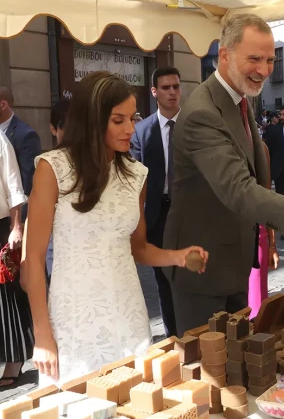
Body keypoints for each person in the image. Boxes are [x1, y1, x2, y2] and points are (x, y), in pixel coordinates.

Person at [22, 71, 208, 386]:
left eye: (132, 118)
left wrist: (177, 256)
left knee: (134, 397)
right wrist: (42, 334)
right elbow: (33, 260)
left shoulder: (136, 175)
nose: (131, 129)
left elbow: (137, 248)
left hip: (128, 311)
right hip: (74, 316)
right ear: (92, 120)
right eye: (117, 120)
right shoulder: (52, 169)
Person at [162, 13, 284, 336]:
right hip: (201, 271)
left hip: (233, 266)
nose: (264, 70)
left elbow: (258, 177)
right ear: (226, 55)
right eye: (255, 59)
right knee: (208, 375)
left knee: (238, 366)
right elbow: (240, 190)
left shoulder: (240, 100)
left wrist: (269, 238)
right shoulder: (203, 112)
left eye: (270, 60)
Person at [130, 66, 182, 338]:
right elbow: (135, 176)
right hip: (157, 212)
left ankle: (194, 331)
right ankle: (174, 335)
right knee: (163, 278)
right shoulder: (141, 131)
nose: (172, 92)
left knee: (189, 274)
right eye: (166, 88)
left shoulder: (193, 125)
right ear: (155, 92)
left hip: (187, 212)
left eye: (175, 86)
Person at [0, 127, 30, 387]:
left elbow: (13, 182)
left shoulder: (0, 139)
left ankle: (15, 358)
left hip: (1, 225)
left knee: (7, 296)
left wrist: (16, 226)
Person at [0, 87, 42, 220]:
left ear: (3, 105)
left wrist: (19, 222)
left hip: (10, 219)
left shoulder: (25, 135)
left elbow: (28, 183)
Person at [248, 143, 279, 319]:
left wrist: (272, 245)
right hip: (223, 236)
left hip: (256, 232)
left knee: (256, 304)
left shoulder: (259, 148)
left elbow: (267, 198)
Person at [45, 100, 71, 278]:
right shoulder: (47, 166)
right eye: (66, 128)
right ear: (53, 129)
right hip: (57, 250)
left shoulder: (97, 164)